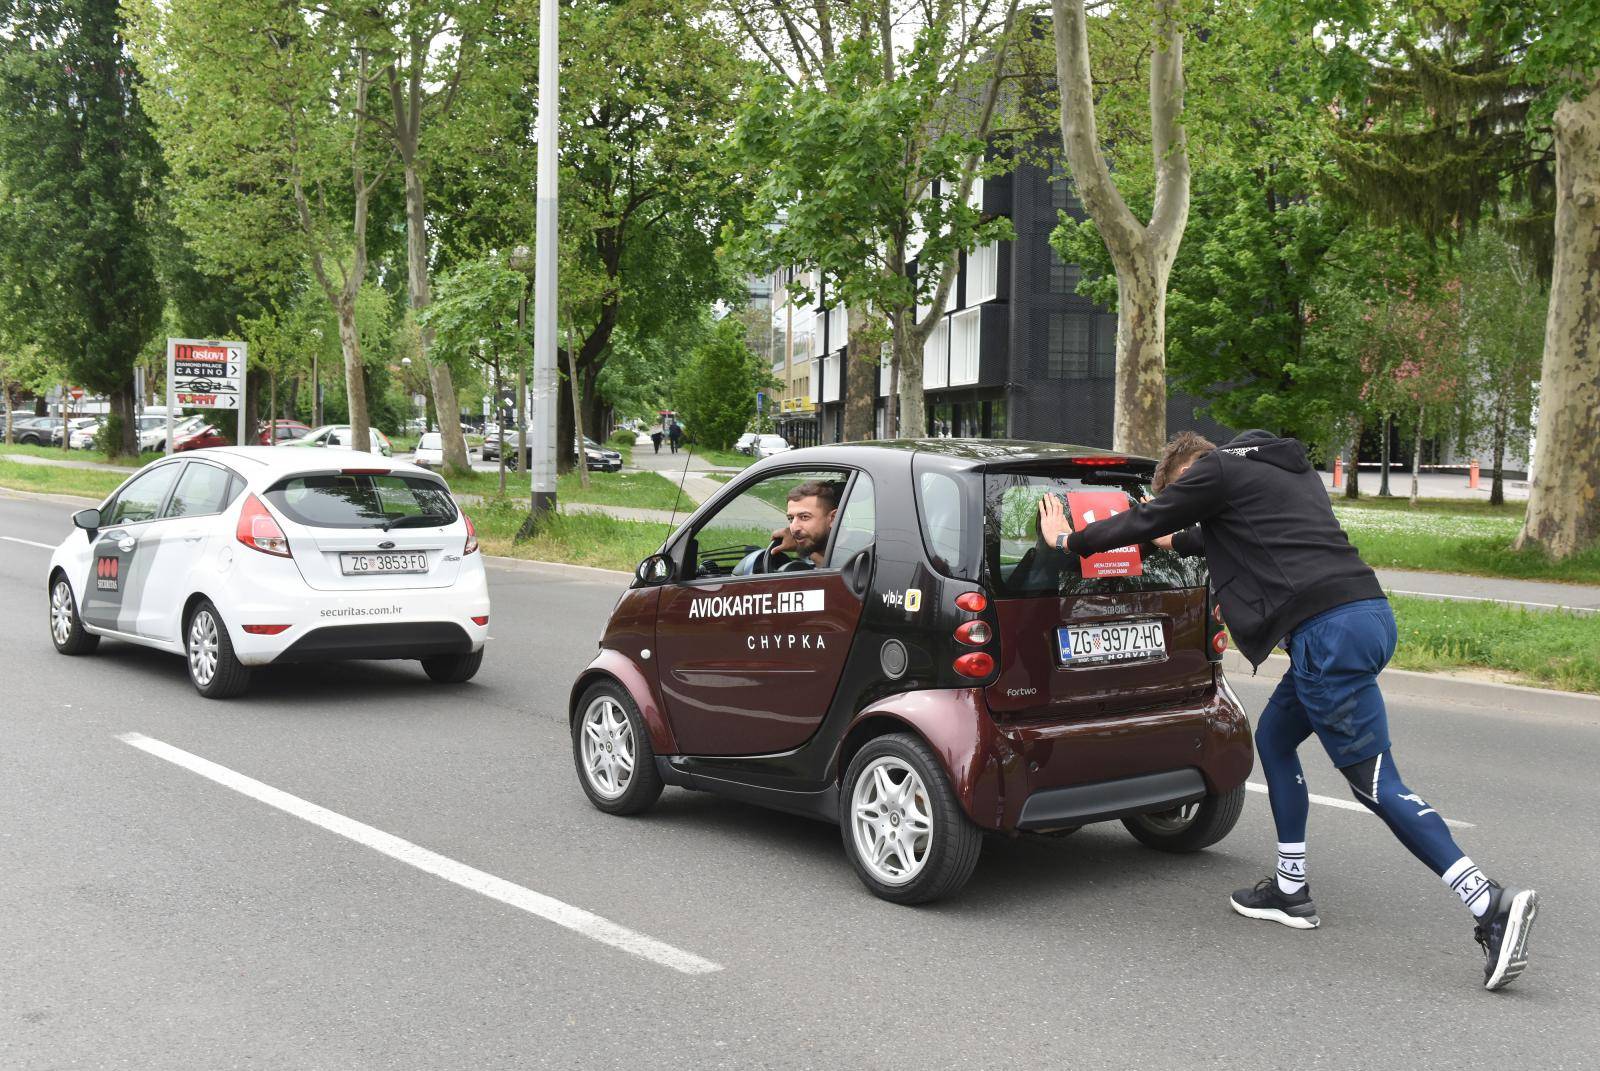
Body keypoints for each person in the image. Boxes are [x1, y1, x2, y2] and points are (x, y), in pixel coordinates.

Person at [1038, 429, 1538, 992]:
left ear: (1188, 473)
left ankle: (1488, 904)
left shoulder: (1214, 471)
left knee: (1376, 784)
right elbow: (1230, 537)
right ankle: (1289, 889)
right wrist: (1172, 544)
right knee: (1274, 739)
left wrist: (1068, 541)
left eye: (1184, 494)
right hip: (1364, 616)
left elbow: (1144, 521)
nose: (1192, 504)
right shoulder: (1281, 470)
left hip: (1325, 636)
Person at [732, 479, 839, 575]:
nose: (794, 527)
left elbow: (837, 574)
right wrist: (802, 547)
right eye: (791, 518)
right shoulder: (827, 549)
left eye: (805, 517)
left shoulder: (850, 555)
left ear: (833, 518)